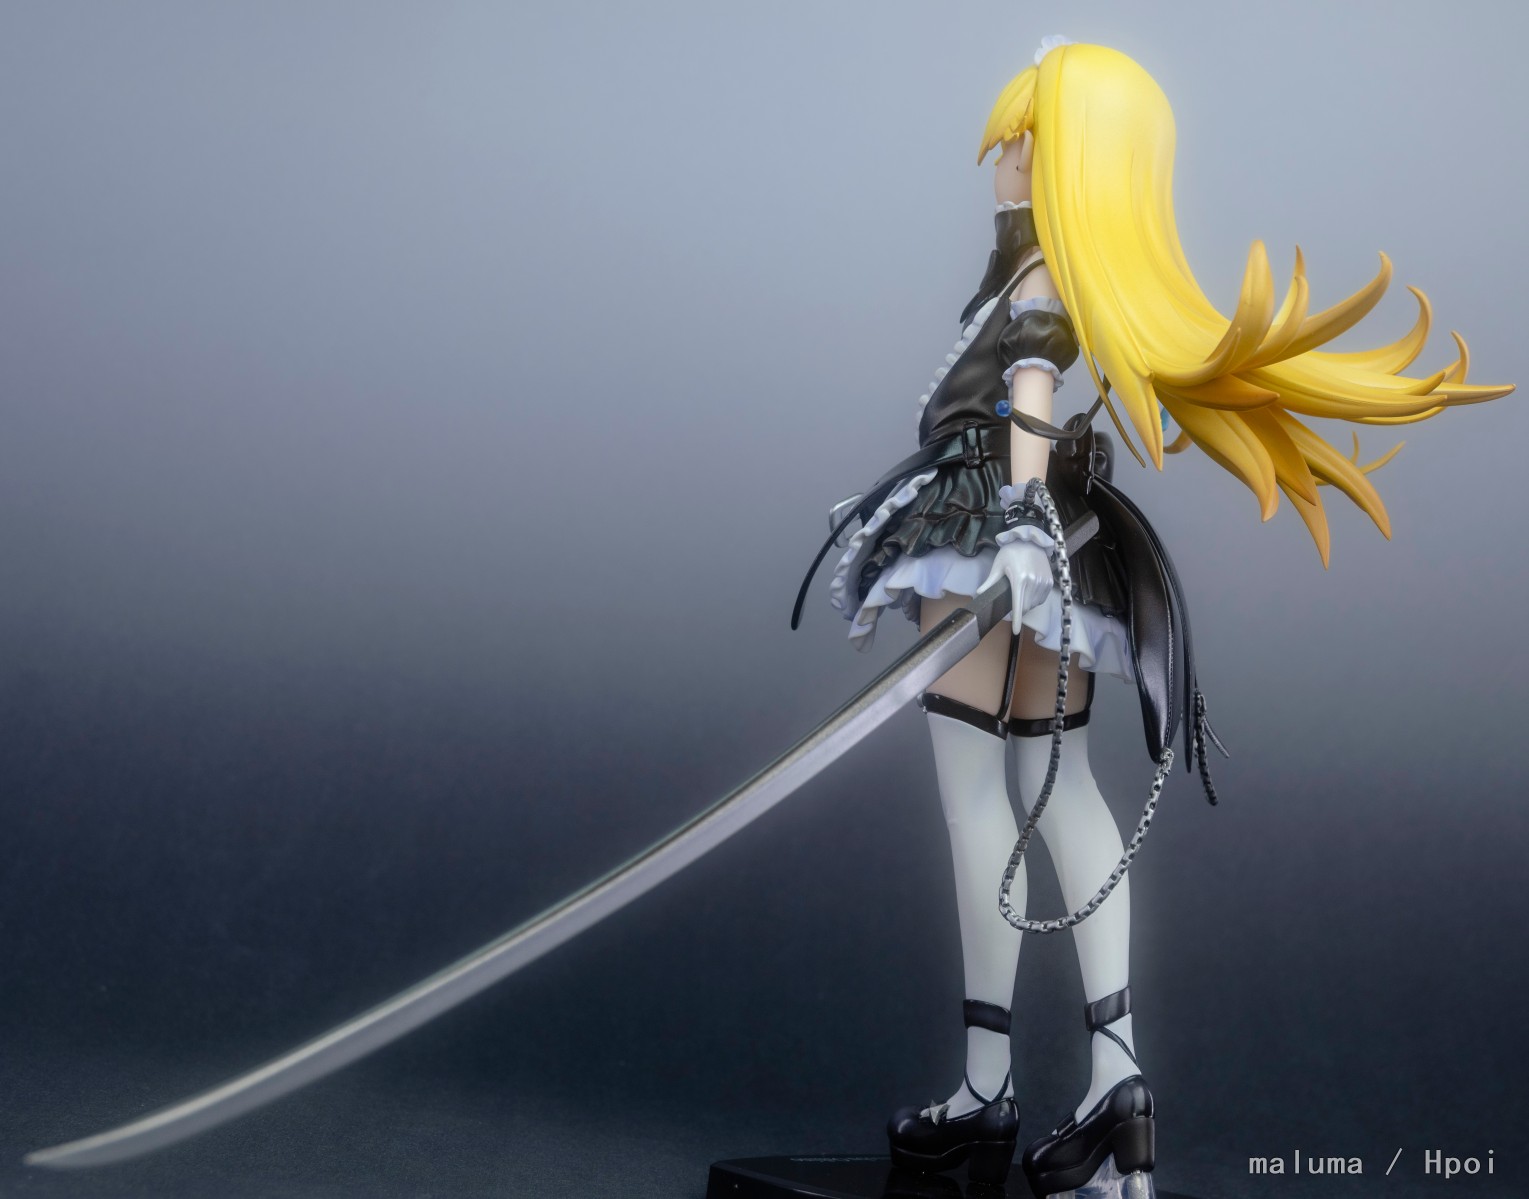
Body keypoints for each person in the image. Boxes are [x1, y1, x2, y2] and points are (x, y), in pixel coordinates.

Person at [799, 37, 1513, 1196]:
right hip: (1046, 544)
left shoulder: (1039, 283)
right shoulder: (1050, 275)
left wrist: (1014, 526)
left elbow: (1029, 397)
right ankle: (1116, 1084)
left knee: (978, 798)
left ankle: (984, 1091)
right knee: (1058, 787)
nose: (1001, 157)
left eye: (1023, 138)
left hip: (990, 537)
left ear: (1064, 158)